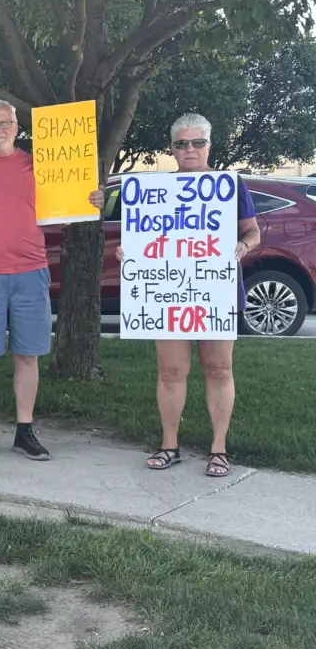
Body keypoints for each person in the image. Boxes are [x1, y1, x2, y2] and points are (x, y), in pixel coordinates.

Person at [0, 99, 104, 463]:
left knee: (28, 355)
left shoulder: (40, 166)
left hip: (30, 272)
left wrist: (92, 199)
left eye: (4, 122)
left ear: (16, 127)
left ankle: (24, 432)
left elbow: (72, 203)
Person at [117, 113, 259, 477]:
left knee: (219, 367)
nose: (190, 149)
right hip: (166, 293)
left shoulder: (229, 185)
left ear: (209, 146)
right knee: (170, 370)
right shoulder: (154, 192)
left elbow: (253, 232)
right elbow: (139, 240)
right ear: (172, 149)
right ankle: (169, 445)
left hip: (216, 289)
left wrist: (242, 247)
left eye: (197, 142)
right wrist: (128, 253)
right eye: (182, 143)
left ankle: (219, 449)